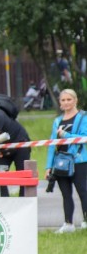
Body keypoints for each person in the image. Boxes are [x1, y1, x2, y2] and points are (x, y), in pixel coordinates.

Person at [45, 89, 87, 233]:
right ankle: (68, 223)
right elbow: (52, 144)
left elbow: (84, 137)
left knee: (83, 190)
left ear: (75, 100)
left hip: (79, 160)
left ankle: (85, 221)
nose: (66, 102)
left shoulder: (83, 117)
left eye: (69, 99)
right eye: (63, 100)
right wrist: (48, 166)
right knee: (65, 193)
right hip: (61, 161)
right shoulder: (57, 121)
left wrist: (66, 134)